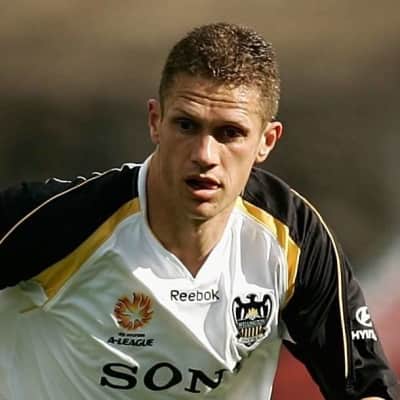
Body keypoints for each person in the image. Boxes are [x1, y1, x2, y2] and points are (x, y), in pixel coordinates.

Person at [0, 22, 398, 400]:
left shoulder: (289, 238)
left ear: (267, 141)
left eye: (230, 133)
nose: (205, 155)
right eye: (187, 126)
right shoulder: (69, 221)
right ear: (155, 122)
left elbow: (364, 384)